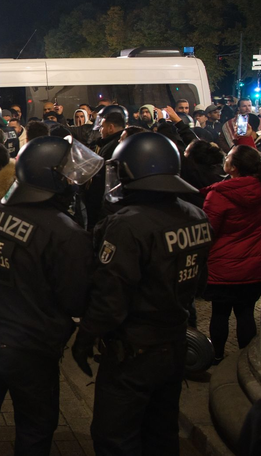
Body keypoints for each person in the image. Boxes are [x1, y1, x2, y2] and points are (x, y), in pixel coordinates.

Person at [0, 136, 98, 456]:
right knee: (34, 429)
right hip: (32, 347)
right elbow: (75, 299)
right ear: (51, 179)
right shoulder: (67, 233)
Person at [72, 133, 212, 455]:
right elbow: (199, 284)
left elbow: (111, 298)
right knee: (161, 432)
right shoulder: (197, 216)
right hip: (175, 344)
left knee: (114, 437)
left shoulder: (127, 225)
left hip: (133, 352)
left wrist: (86, 336)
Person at [201, 145, 261, 363]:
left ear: (233, 168)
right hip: (254, 266)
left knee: (220, 313)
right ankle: (247, 359)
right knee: (246, 312)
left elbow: (208, 230)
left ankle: (217, 355)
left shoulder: (219, 194)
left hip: (222, 267)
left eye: (228, 157)